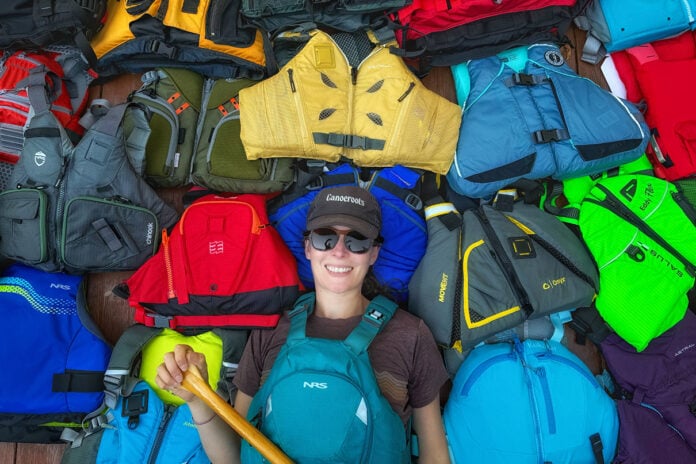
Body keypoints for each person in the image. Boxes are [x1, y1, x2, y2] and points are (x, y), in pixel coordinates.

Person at [156, 185, 451, 463]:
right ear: (308, 248)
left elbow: (435, 455)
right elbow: (235, 455)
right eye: (325, 238)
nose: (339, 251)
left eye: (356, 241)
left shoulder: (410, 334)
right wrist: (198, 400)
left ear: (373, 253)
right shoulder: (269, 330)